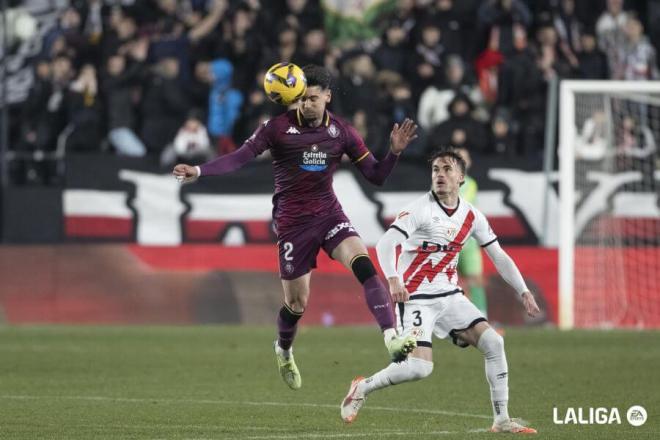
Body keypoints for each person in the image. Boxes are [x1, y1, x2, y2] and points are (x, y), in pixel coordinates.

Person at [173, 65, 419, 390]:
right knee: (297, 304)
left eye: (313, 98)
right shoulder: (277, 129)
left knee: (364, 266)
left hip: (330, 215)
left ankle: (391, 338)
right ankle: (284, 348)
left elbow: (376, 175)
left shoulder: (342, 132)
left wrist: (394, 153)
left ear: (328, 97)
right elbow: (240, 157)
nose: (306, 104)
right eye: (302, 98)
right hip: (292, 223)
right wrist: (199, 171)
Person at [340, 148, 540, 434]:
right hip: (416, 298)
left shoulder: (471, 216)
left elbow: (498, 255)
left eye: (447, 169)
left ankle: (502, 419)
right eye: (435, 169)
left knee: (494, 344)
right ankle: (362, 387)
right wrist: (394, 279)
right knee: (419, 369)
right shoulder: (419, 210)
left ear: (461, 177)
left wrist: (523, 290)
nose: (440, 175)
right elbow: (385, 244)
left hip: (450, 296)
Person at [453, 148, 487, 317]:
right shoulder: (440, 182)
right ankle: (449, 319)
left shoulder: (471, 184)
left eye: (464, 158)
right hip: (448, 242)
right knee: (446, 282)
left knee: (476, 280)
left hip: (469, 243)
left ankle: (482, 317)